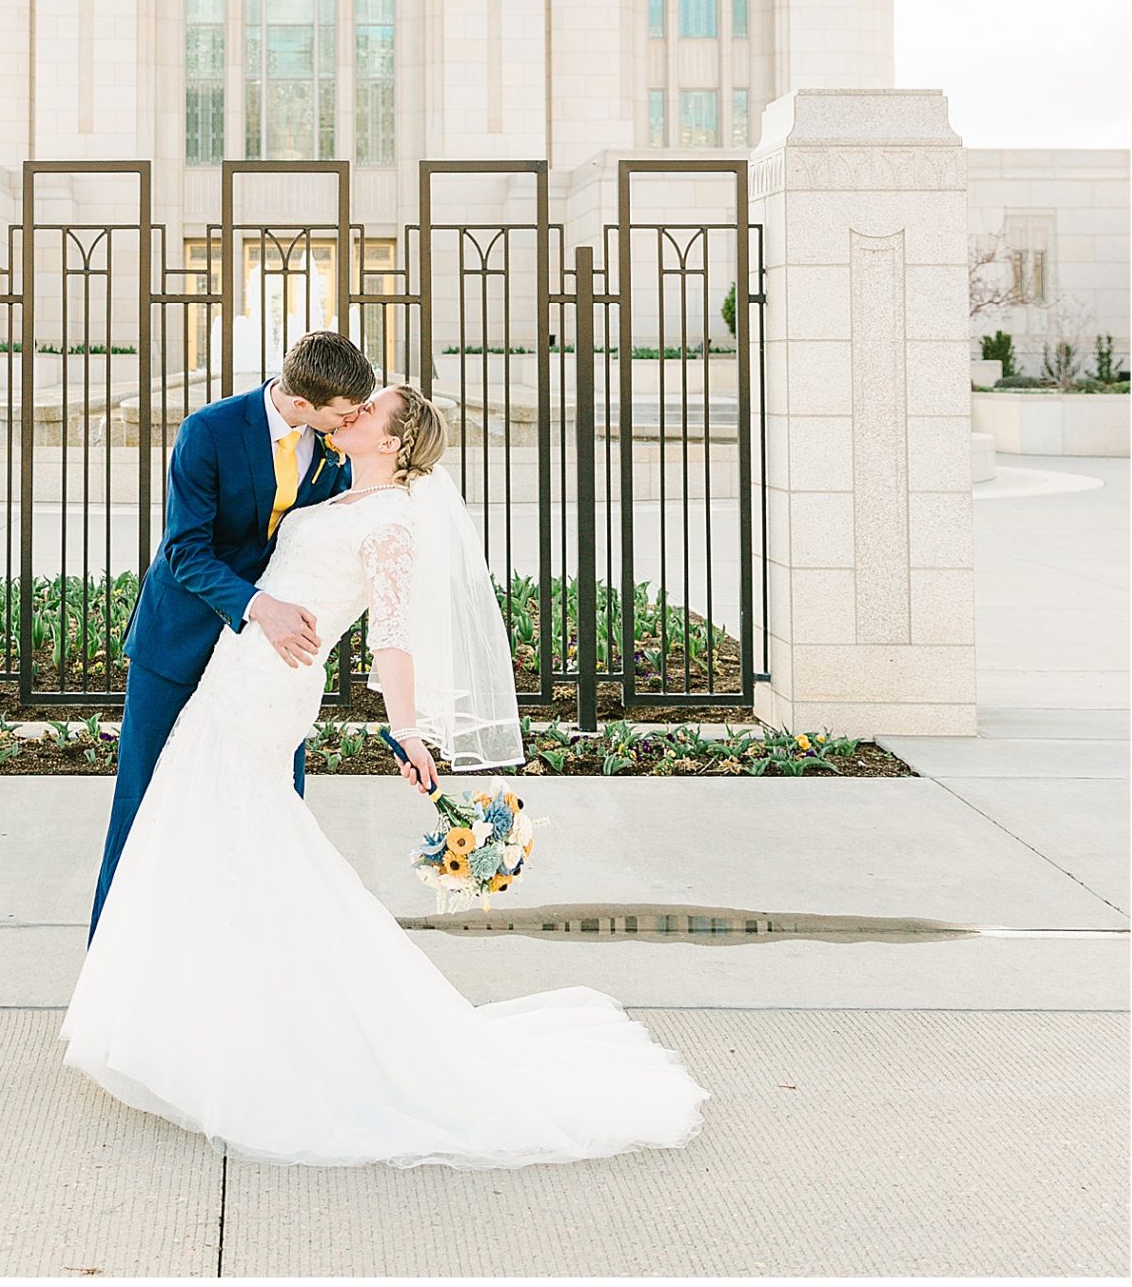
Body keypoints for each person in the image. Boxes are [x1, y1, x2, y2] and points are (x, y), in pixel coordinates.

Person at [64, 382, 708, 1168]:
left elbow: (394, 637)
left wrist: (408, 731)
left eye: (369, 411)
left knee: (244, 830)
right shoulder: (335, 489)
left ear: (393, 444)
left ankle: (246, 1022)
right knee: (193, 824)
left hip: (269, 690)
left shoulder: (393, 522)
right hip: (230, 674)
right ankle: (190, 1007)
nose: (354, 413)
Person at [87, 330, 374, 936]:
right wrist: (257, 606)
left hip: (266, 671)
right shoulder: (208, 432)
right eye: (343, 415)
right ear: (302, 404)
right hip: (179, 643)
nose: (351, 423)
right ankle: (111, 965)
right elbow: (184, 551)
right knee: (144, 805)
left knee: (272, 809)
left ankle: (256, 961)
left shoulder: (334, 450)